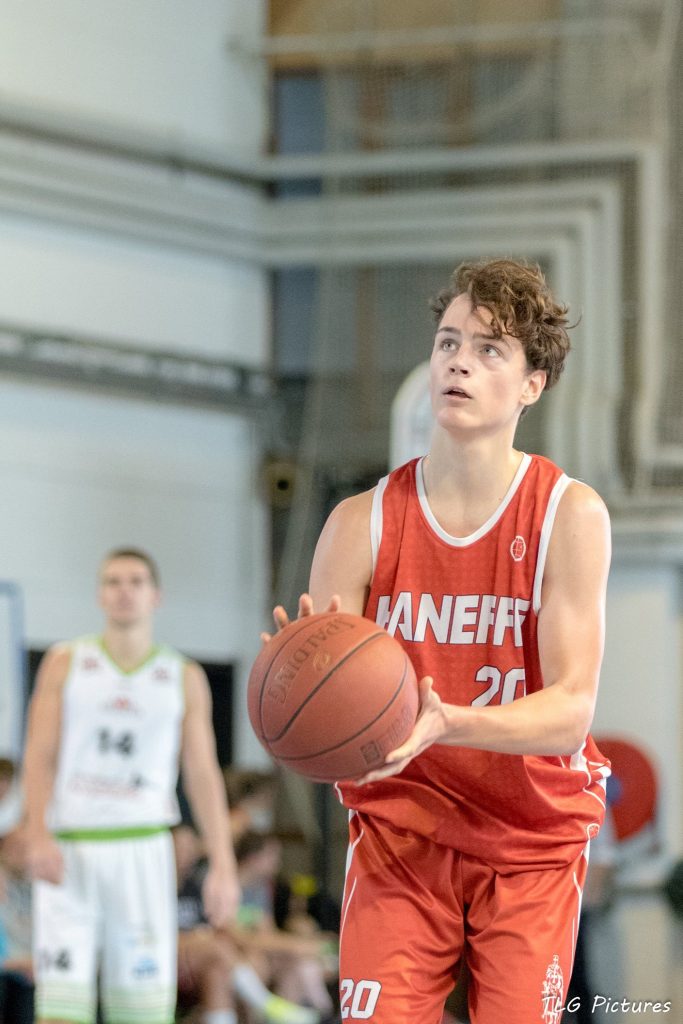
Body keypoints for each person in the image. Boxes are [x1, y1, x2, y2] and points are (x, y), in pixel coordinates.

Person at [270, 259, 612, 1023]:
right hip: (401, 832)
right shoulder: (359, 522)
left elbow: (569, 713)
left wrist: (447, 722)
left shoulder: (567, 514)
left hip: (530, 839)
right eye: (448, 342)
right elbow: (329, 715)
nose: (459, 361)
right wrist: (297, 689)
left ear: (531, 384)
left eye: (489, 349)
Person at [21, 547, 240, 1024]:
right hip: (70, 850)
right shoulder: (65, 662)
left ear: (155, 595)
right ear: (100, 595)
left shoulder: (183, 675)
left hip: (143, 849)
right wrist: (36, 832)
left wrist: (223, 863)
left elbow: (202, 773)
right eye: (114, 582)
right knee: (59, 1011)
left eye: (136, 582)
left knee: (141, 1013)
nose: (124, 591)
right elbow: (38, 754)